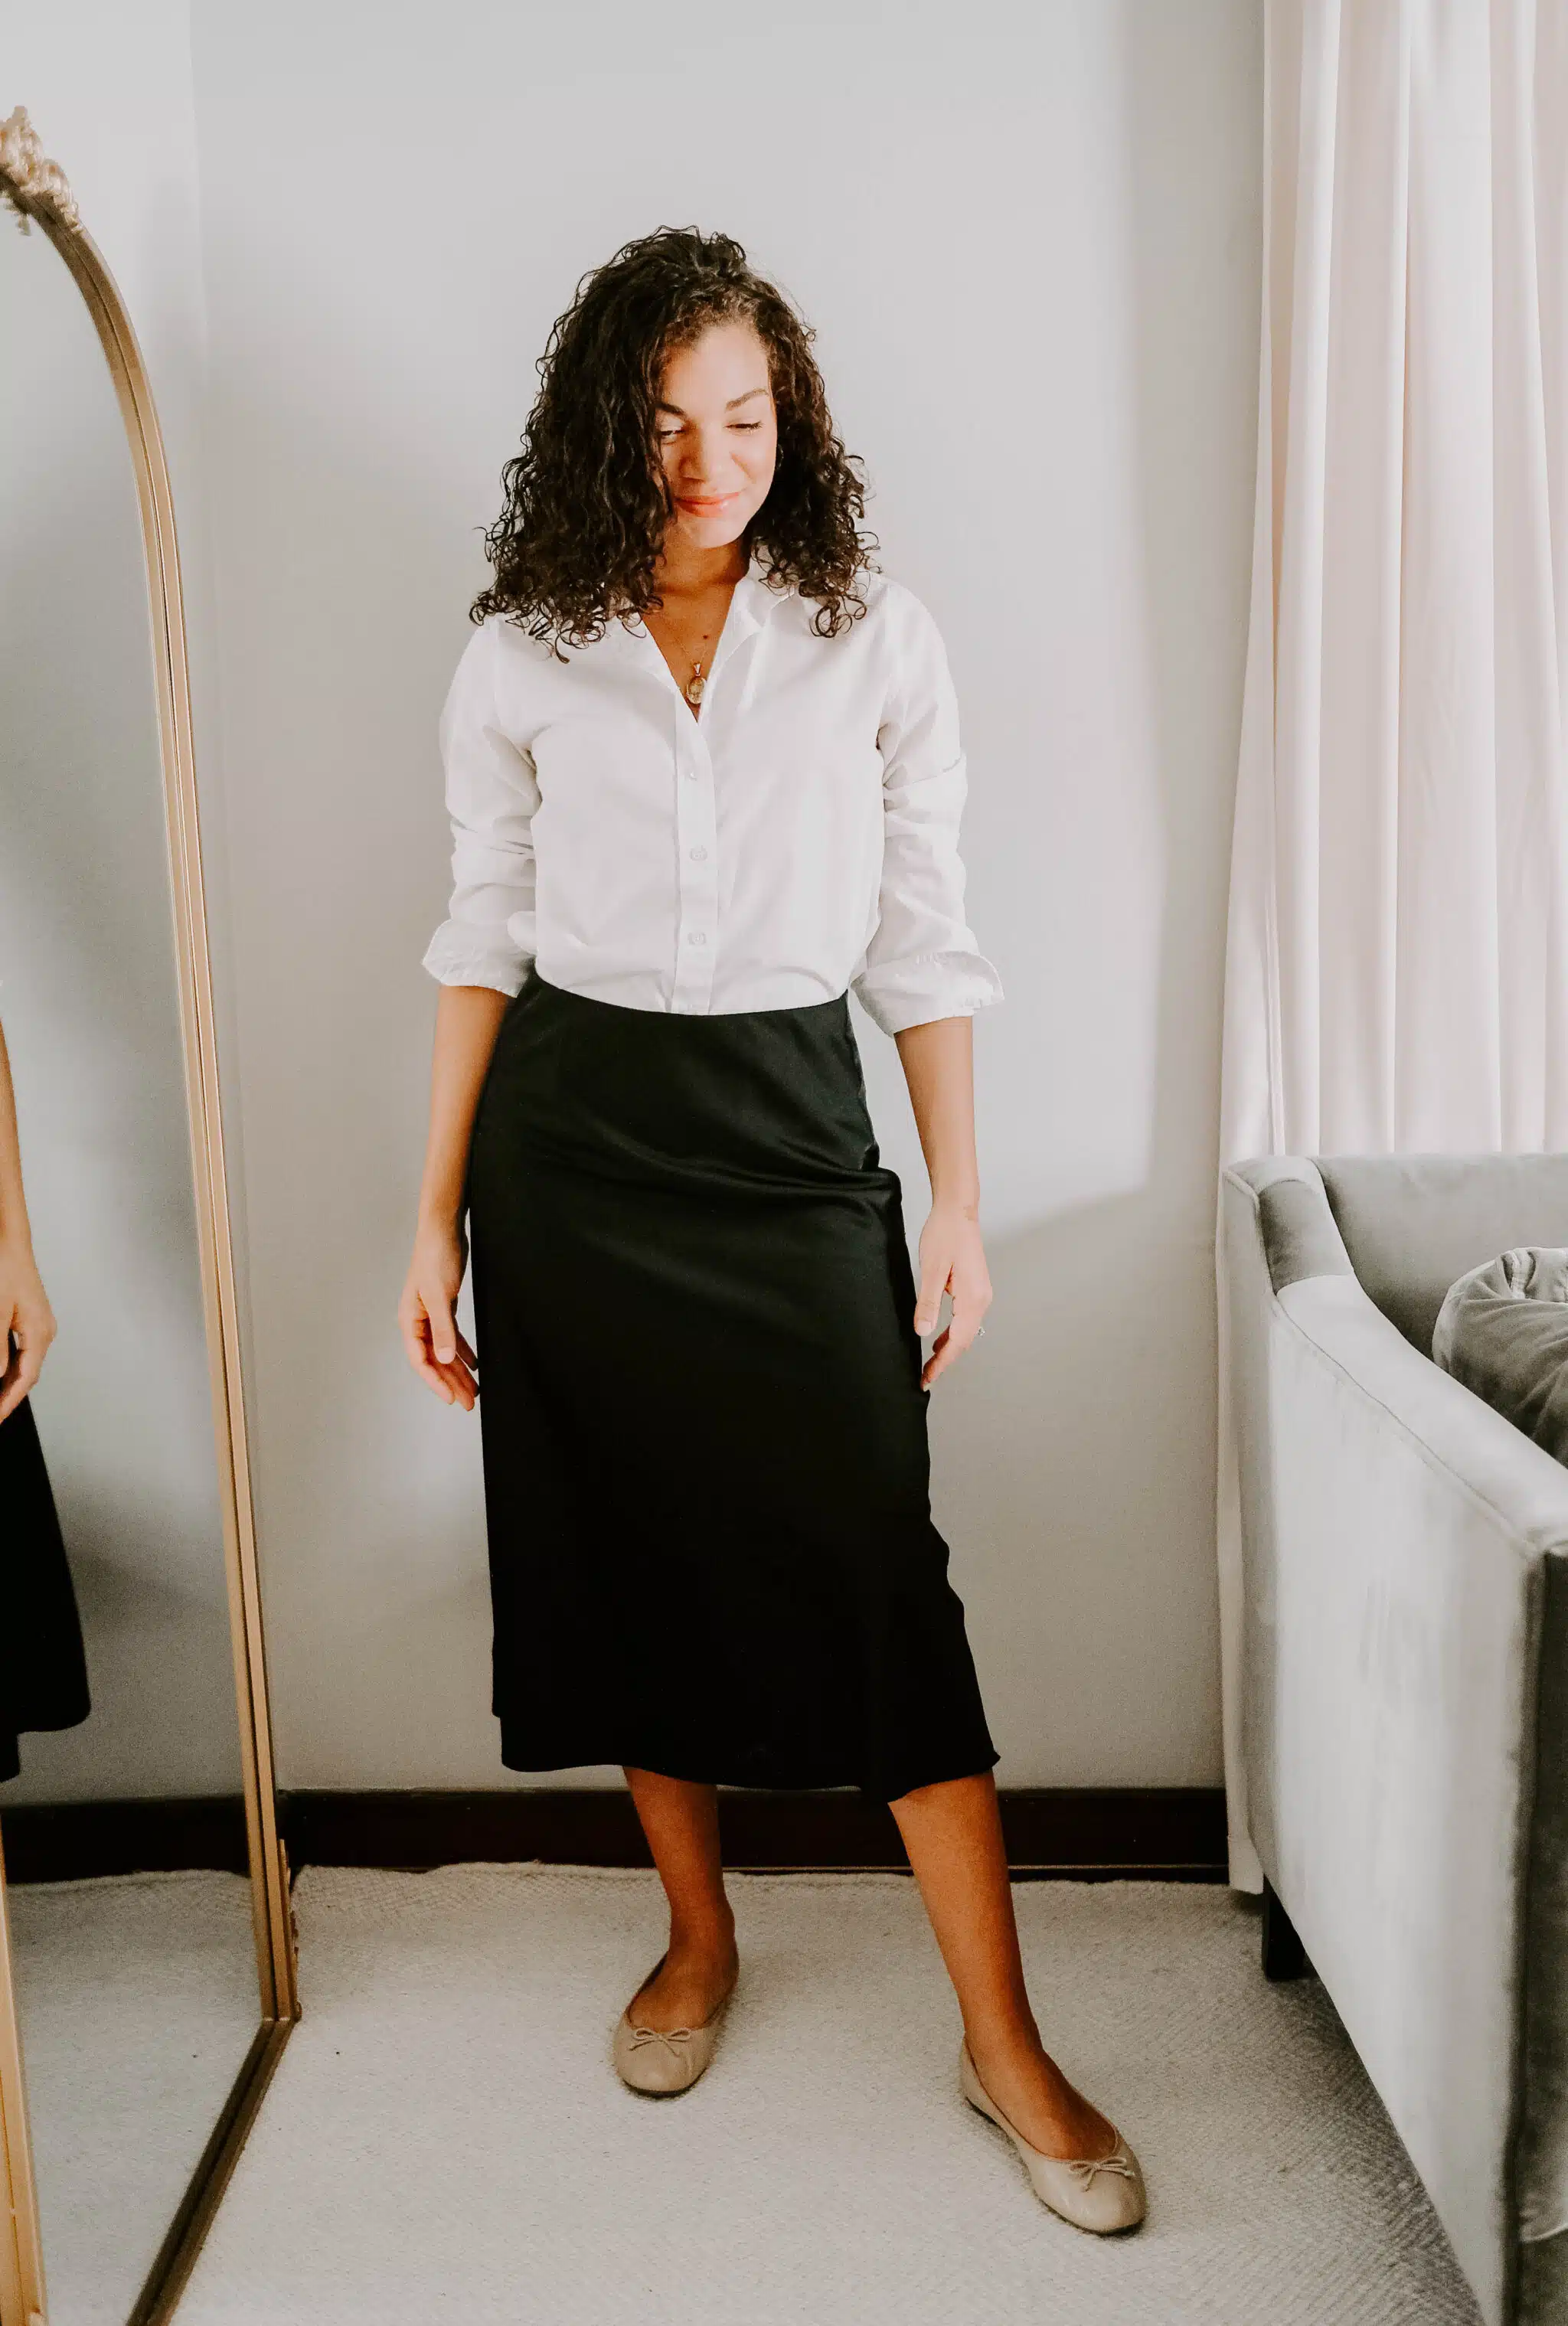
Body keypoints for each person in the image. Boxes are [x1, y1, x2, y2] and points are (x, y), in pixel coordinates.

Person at [399, 227, 1145, 2234]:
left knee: (877, 1575)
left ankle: (1004, 2038)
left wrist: (959, 1198)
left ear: (790, 417)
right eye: (661, 426)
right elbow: (482, 938)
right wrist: (432, 1214)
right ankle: (699, 1933)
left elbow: (925, 935)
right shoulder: (522, 654)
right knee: (620, 1539)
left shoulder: (872, 635)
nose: (707, 456)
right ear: (600, 439)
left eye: (741, 415)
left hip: (795, 1123)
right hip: (576, 1143)